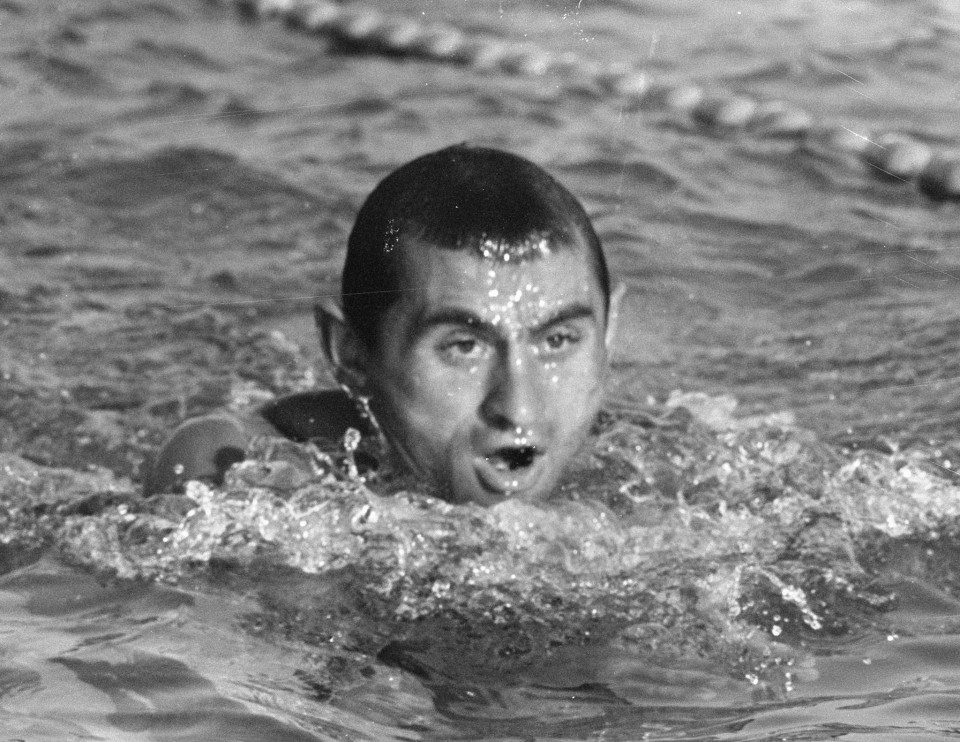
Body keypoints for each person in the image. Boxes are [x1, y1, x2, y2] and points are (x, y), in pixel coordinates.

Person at [144, 144, 622, 505]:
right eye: (464, 346)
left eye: (558, 341)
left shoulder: (642, 474)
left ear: (607, 334)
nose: (519, 409)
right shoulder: (234, 472)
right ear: (350, 352)